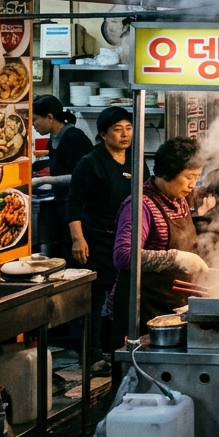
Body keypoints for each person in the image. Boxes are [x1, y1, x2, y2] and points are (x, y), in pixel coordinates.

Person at [111, 138, 217, 336]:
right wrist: (175, 258)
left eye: (197, 177)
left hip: (173, 307)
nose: (193, 185)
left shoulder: (179, 199)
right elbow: (123, 256)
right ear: (168, 172)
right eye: (189, 177)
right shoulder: (140, 205)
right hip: (142, 312)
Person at [66, 107, 141, 356]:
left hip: (126, 238)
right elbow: (74, 202)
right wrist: (78, 239)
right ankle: (91, 353)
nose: (125, 135)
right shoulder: (90, 163)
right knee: (94, 298)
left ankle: (118, 348)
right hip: (96, 237)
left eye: (128, 128)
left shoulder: (136, 158)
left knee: (123, 298)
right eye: (117, 129)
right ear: (103, 134)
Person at [33, 95, 93, 258]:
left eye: (35, 119)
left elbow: (80, 178)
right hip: (60, 204)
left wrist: (43, 180)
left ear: (50, 117)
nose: (33, 125)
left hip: (77, 209)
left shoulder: (75, 138)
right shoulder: (53, 138)